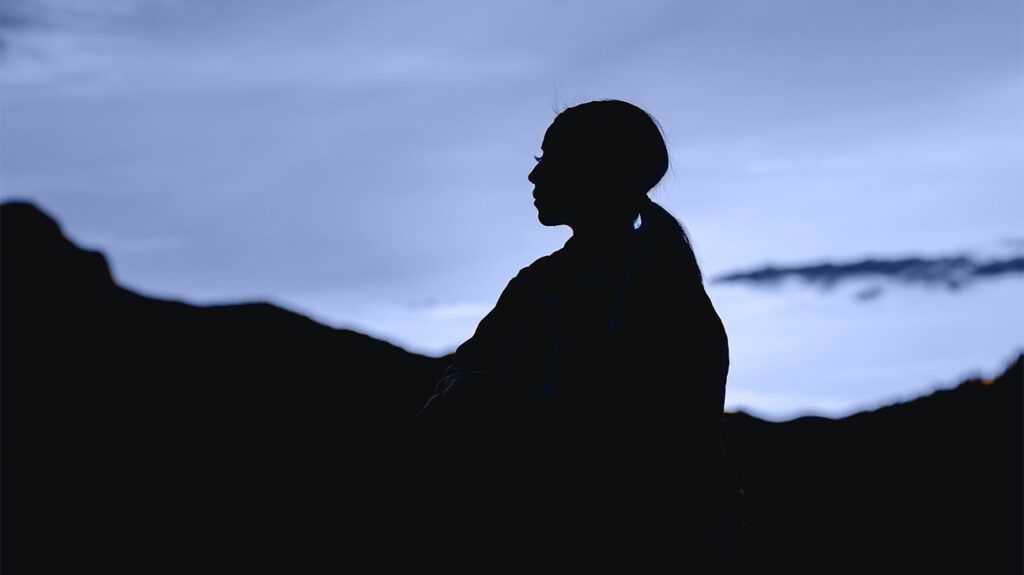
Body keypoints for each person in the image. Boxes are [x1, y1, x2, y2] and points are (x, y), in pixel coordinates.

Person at [411, 99, 742, 571]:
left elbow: (630, 440)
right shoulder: (540, 283)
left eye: (549, 160)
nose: (534, 177)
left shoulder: (657, 291)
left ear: (597, 173)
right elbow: (459, 383)